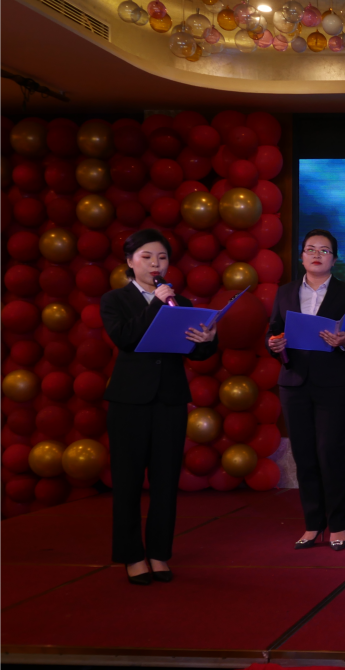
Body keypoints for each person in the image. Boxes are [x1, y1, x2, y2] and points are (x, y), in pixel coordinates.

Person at [102, 229, 218, 585]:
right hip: (129, 402)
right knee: (128, 481)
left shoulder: (179, 302)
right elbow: (125, 338)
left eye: (162, 257)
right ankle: (132, 555)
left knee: (166, 481)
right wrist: (155, 302)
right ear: (130, 261)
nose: (156, 264)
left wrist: (207, 341)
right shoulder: (115, 300)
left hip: (169, 399)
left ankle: (158, 553)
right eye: (147, 256)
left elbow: (196, 353)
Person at [267, 229, 345, 552]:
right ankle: (313, 524)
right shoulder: (285, 292)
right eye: (310, 249)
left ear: (334, 259)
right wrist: (274, 344)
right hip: (294, 383)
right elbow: (273, 331)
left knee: (330, 453)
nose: (317, 255)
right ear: (301, 257)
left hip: (334, 385)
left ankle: (337, 525)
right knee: (304, 455)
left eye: (324, 251)